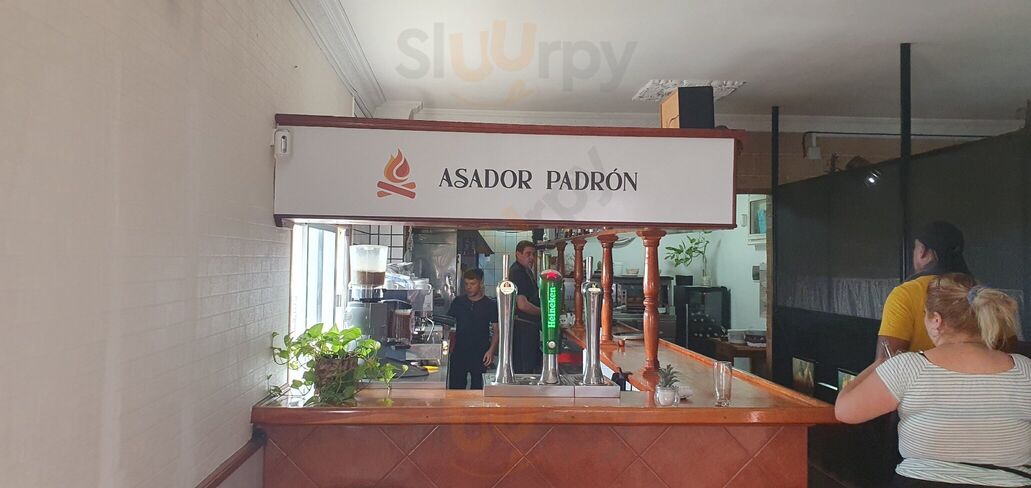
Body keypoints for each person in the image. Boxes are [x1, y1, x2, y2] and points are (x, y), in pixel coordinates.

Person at [836, 274, 1031, 487]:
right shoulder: (1024, 370)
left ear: (936, 320)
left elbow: (845, 411)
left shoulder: (909, 367)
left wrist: (879, 364)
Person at [877, 221, 973, 360]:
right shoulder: (981, 294)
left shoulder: (906, 293)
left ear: (922, 251)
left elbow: (885, 362)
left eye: (915, 248)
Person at [445, 268, 498, 390]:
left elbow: (497, 331)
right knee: (456, 390)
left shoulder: (490, 305)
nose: (469, 287)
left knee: (478, 390)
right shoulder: (458, 302)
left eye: (472, 284)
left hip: (480, 353)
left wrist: (491, 351)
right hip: (459, 352)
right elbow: (447, 324)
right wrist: (446, 342)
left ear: (481, 283)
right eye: (466, 284)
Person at [508, 240, 543, 374]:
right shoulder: (518, 272)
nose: (532, 258)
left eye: (533, 254)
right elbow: (522, 305)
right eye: (528, 254)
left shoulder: (525, 271)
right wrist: (545, 313)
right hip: (523, 329)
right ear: (518, 254)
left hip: (528, 328)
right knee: (523, 370)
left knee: (528, 368)